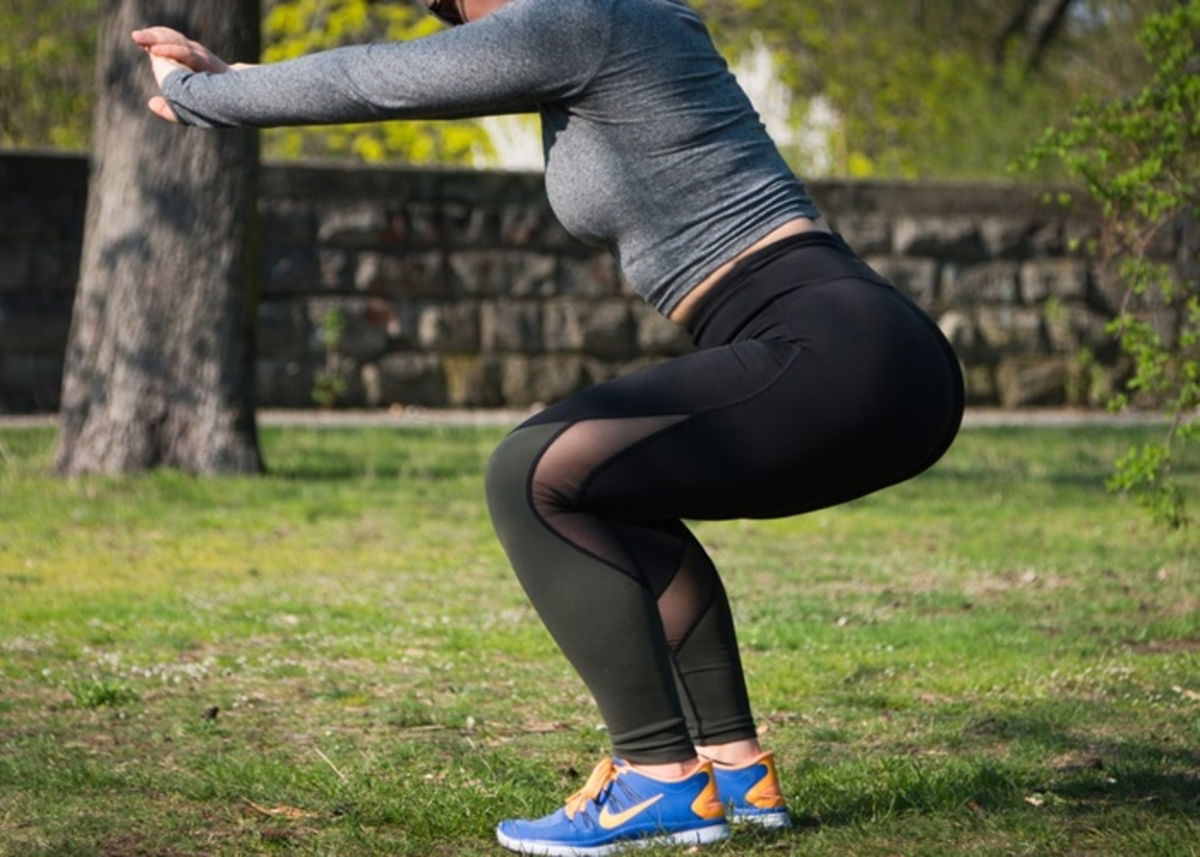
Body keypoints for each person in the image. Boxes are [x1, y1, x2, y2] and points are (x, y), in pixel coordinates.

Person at [135, 0, 964, 853]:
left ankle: (656, 779)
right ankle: (733, 768)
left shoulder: (585, 19)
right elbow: (398, 78)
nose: (455, 18)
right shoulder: (608, 26)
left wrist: (209, 97)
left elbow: (375, 79)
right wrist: (232, 78)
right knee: (614, 492)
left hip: (832, 347)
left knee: (531, 475)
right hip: (876, 353)